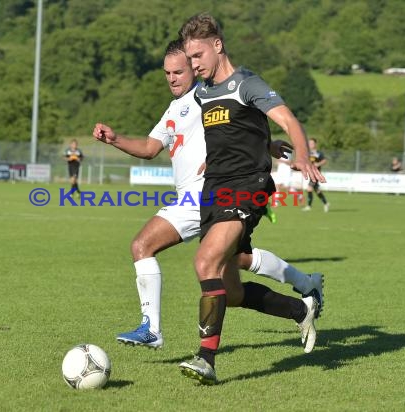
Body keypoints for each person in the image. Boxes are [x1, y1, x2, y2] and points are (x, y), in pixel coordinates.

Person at [92, 40, 323, 358]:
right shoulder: (175, 108)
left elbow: (244, 119)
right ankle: (303, 301)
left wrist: (266, 146)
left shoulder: (207, 97)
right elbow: (148, 148)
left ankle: (153, 330)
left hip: (208, 193)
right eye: (167, 73)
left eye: (178, 71)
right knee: (234, 287)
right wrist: (115, 139)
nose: (172, 78)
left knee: (143, 245)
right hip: (197, 198)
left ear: (193, 68)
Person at [178, 13, 326, 384]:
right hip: (214, 190)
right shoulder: (203, 93)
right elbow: (239, 131)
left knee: (205, 261)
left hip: (247, 186)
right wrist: (264, 143)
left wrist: (302, 156)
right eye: (189, 58)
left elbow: (288, 120)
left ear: (217, 45)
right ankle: (301, 309)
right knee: (230, 289)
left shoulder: (247, 83)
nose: (193, 64)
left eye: (197, 56)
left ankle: (206, 360)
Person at [302, 138, 330, 212]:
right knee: (317, 190)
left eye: (312, 143)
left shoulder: (318, 153)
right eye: (309, 143)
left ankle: (309, 206)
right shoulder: (307, 153)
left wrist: (318, 164)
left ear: (315, 144)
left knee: (309, 188)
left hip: (316, 174)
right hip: (310, 174)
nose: (310, 144)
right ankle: (326, 203)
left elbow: (324, 160)